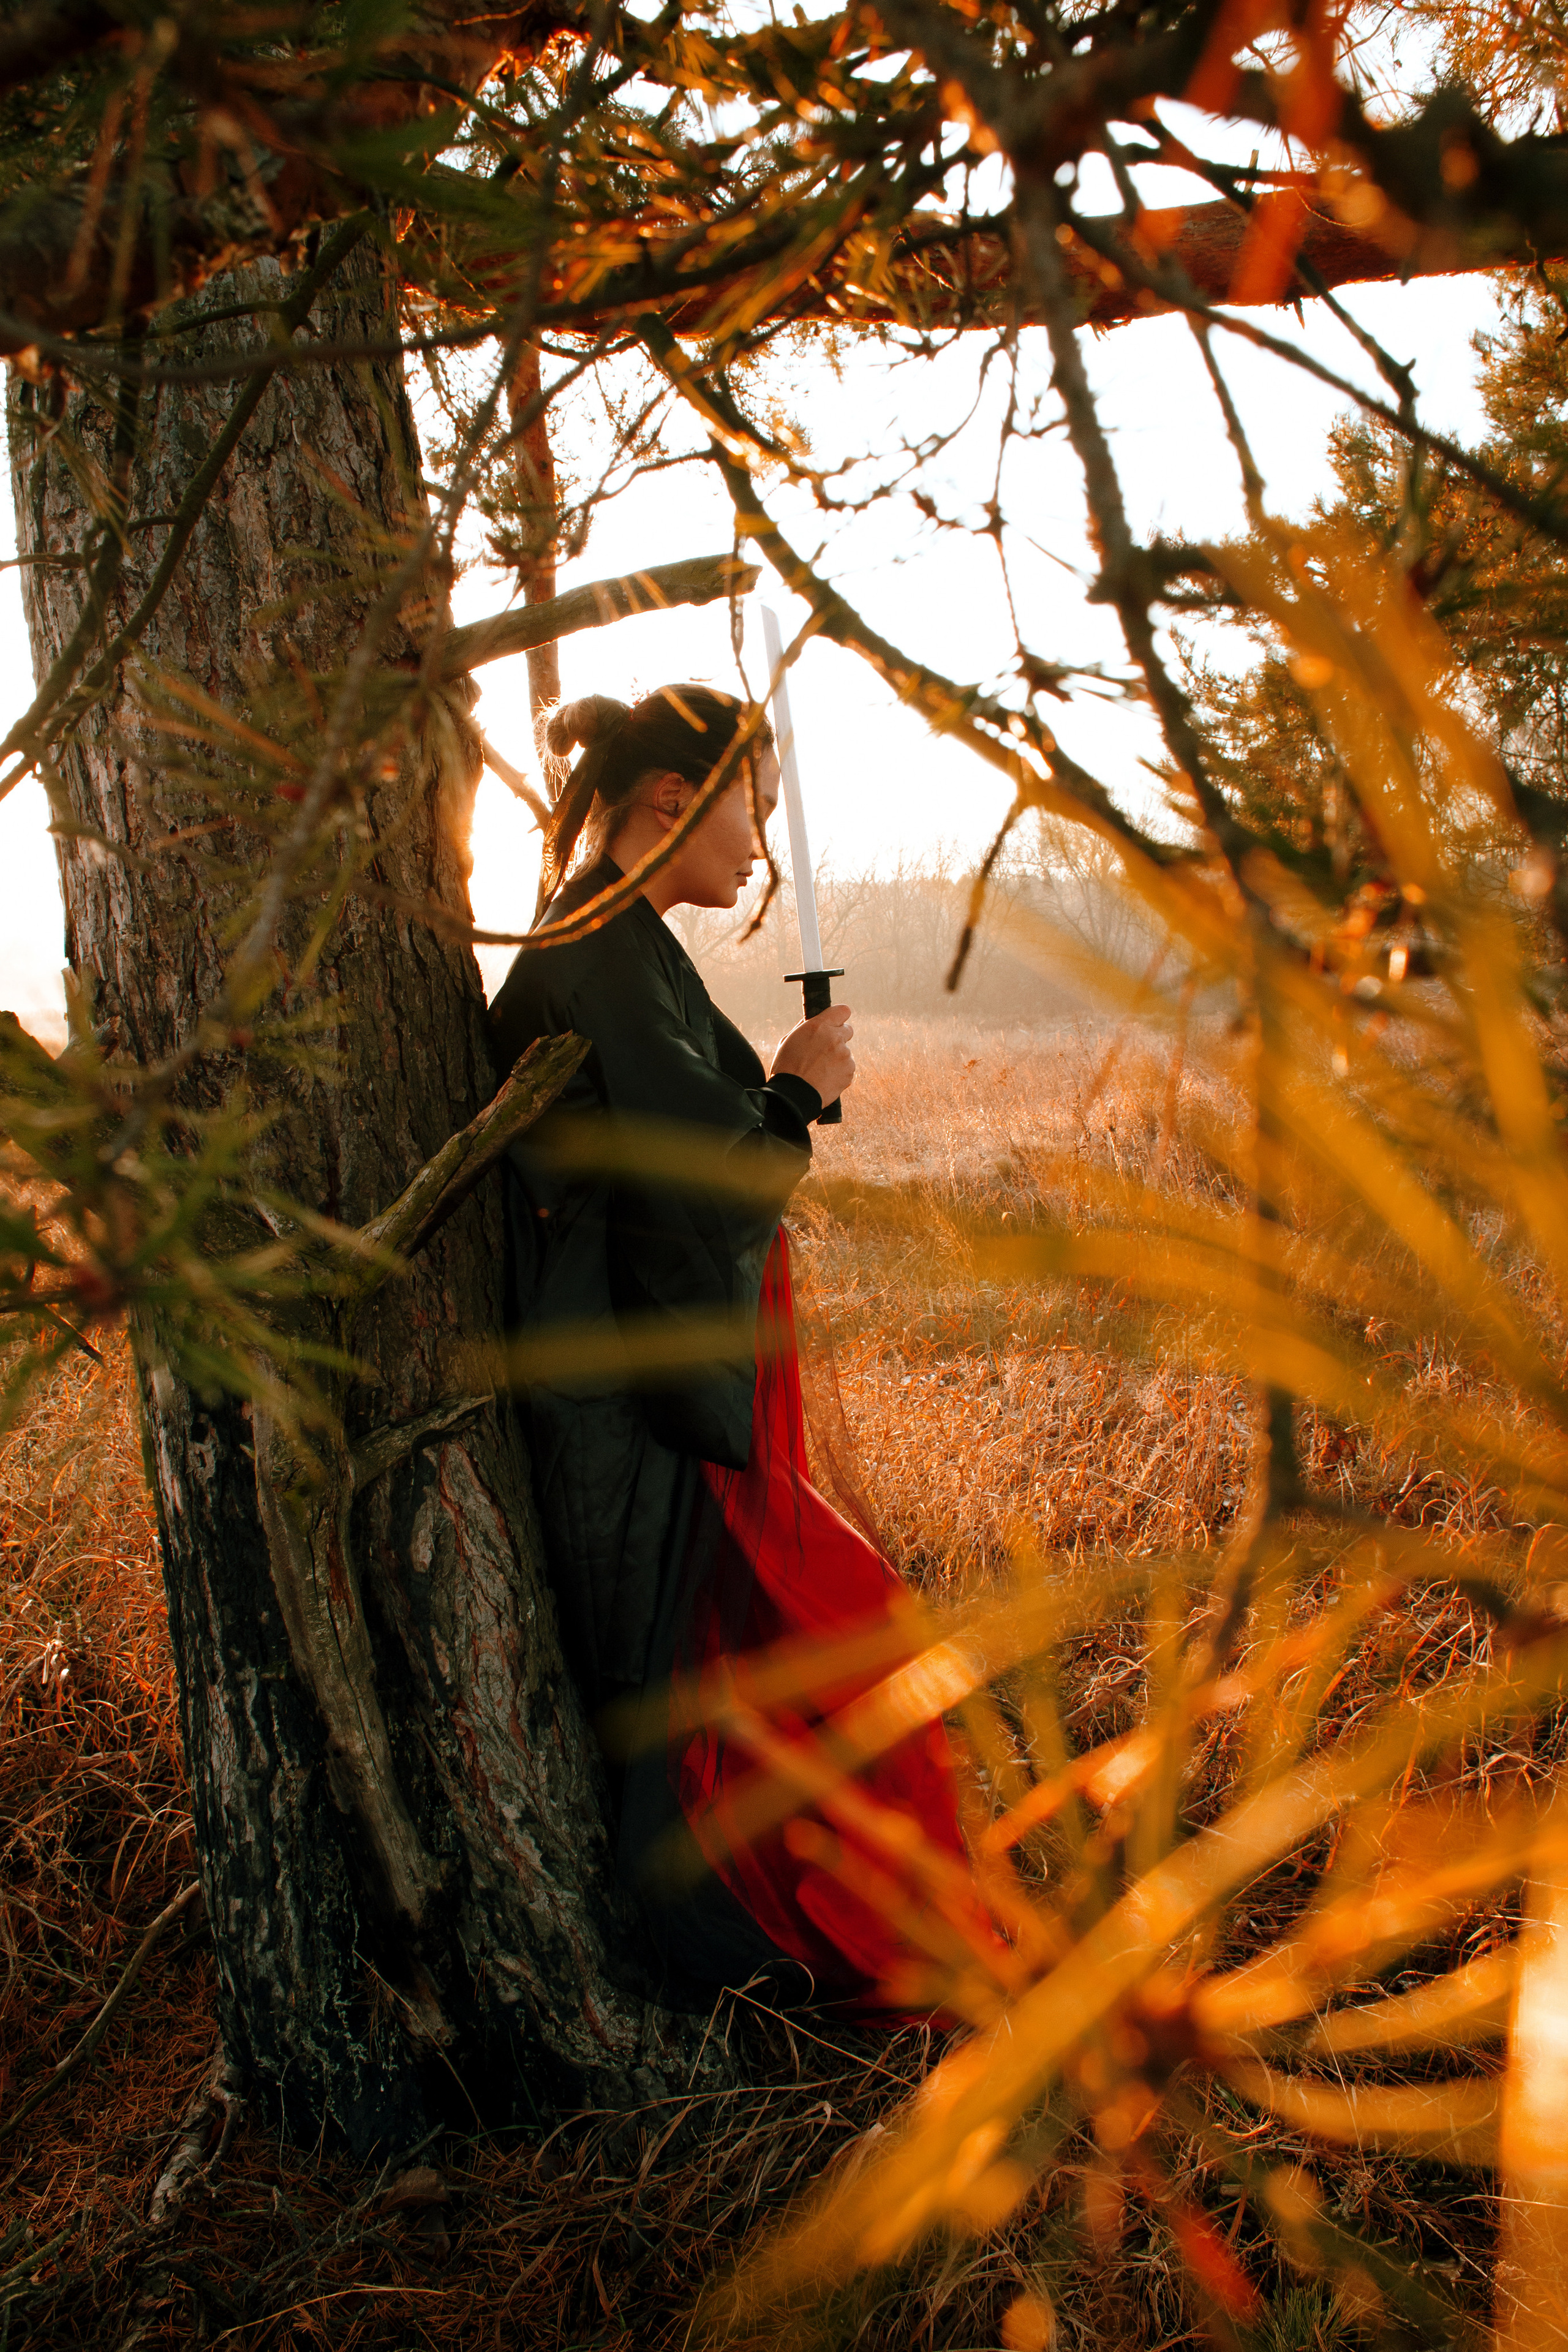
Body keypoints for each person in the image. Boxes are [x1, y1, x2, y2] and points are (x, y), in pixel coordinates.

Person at [490, 684, 981, 2016]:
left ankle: (761, 1925)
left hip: (648, 1380)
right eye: (751, 805)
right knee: (691, 1661)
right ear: (668, 803)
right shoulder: (599, 946)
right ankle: (726, 1949)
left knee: (773, 1637)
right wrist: (793, 1091)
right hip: (624, 1395)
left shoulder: (623, 944)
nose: (763, 841)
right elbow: (693, 1175)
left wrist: (773, 1096)